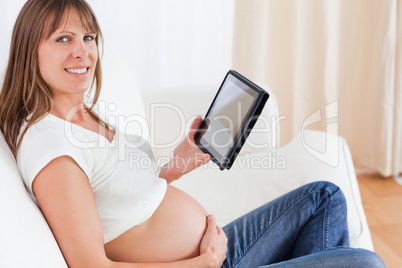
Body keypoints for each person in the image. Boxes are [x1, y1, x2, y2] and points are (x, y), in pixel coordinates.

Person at [0, 0, 386, 267]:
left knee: (324, 196)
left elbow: (117, 204)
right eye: (62, 39)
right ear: (28, 51)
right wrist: (200, 264)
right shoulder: (53, 148)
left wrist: (175, 165)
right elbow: (90, 265)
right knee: (364, 263)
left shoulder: (83, 113)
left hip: (217, 254)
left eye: (88, 37)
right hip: (206, 263)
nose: (82, 52)